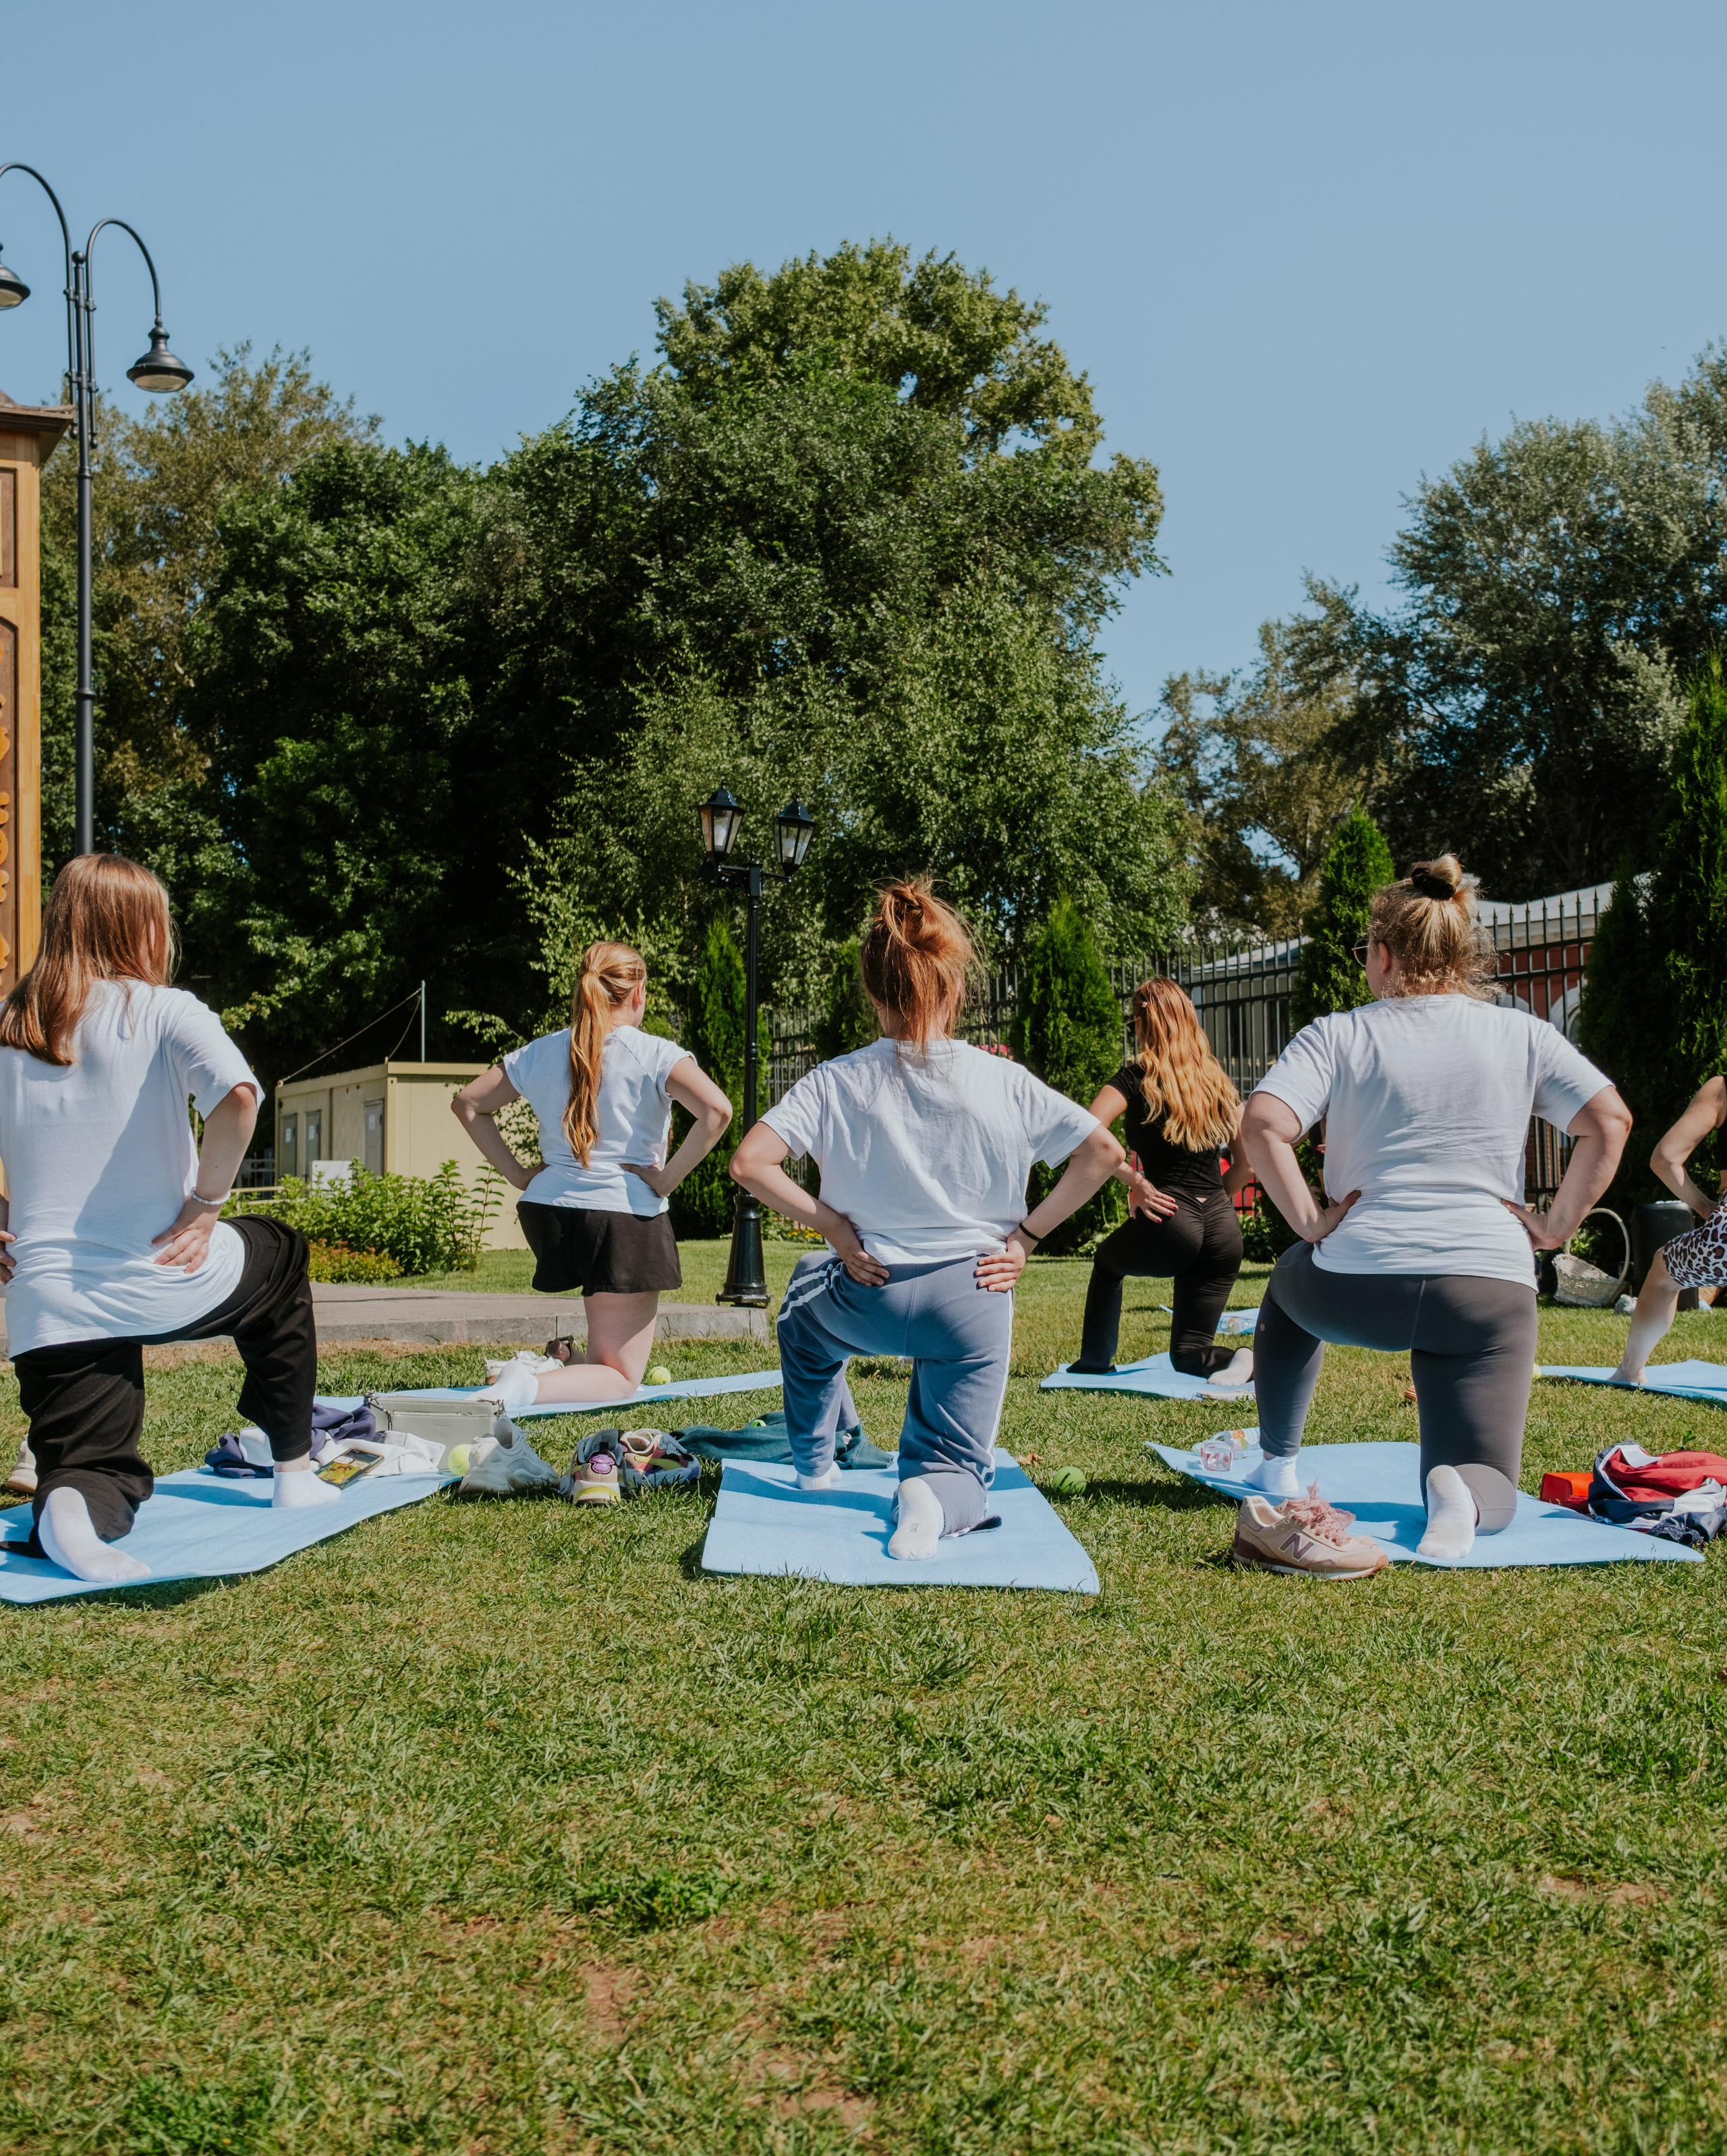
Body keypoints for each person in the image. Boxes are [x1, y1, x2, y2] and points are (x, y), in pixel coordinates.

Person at [1237, 854, 1631, 1568]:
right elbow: (1609, 1121)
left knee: (1289, 1285)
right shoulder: (1523, 1034)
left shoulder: (1338, 1032)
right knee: (1493, 1487)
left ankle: (1277, 1465)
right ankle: (1457, 1493)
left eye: (1365, 953)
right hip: (1484, 1295)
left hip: (1355, 1284)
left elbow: (1263, 1122)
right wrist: (1555, 1226)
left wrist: (1307, 1221)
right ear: (1460, 952)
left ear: (1383, 954)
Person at [729, 881, 1124, 1561]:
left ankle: (814, 1468)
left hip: (868, 1287)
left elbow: (749, 1164)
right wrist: (1025, 1237)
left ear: (875, 996)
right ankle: (928, 1499)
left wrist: (832, 1226)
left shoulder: (836, 1078)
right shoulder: (1005, 1080)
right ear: (956, 990)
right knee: (957, 1465)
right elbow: (1103, 1152)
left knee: (800, 1319)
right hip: (973, 1297)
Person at [0, 855, 328, 1585]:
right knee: (279, 1255)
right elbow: (240, 1098)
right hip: (166, 1272)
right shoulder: (165, 1010)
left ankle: (67, 1509)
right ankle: (293, 1467)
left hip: (46, 1295)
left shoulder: (12, 1023)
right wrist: (206, 1208)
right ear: (144, 926)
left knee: (91, 1465)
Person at [451, 940, 734, 1409]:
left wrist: (520, 1175)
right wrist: (664, 1182)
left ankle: (562, 1361)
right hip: (621, 1218)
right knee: (621, 1379)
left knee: (603, 1359)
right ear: (639, 993)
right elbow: (718, 1112)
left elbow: (468, 1104)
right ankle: (524, 1385)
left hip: (547, 1213)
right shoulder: (656, 1053)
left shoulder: (540, 1052)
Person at [1070, 976, 1256, 1386]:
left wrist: (1134, 1181)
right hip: (1224, 1229)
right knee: (1190, 1354)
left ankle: (1094, 1363)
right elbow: (1246, 1168)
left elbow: (1082, 1134)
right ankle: (1246, 1358)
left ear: (1143, 1022)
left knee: (1106, 1263)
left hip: (1169, 1216)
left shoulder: (1137, 1076)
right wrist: (1214, 1208)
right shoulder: (1217, 1081)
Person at [1610, 1077, 1727, 1383]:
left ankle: (1630, 1371)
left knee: (1664, 1269)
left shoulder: (1722, 1089)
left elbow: (1665, 1159)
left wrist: (1703, 1206)